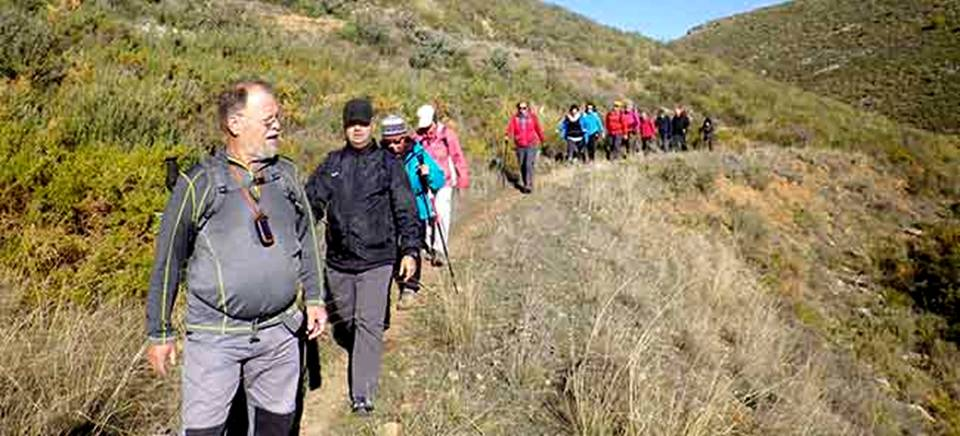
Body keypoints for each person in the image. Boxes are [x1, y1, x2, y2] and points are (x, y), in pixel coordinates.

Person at [145, 80, 325, 435]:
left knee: (276, 426)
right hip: (215, 337)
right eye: (269, 119)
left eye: (278, 118)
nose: (278, 126)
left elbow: (307, 239)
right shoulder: (199, 184)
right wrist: (160, 332)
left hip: (280, 332)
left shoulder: (285, 174)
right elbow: (167, 259)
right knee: (204, 431)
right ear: (235, 124)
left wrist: (315, 299)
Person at [305, 98, 421, 415]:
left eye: (363, 123)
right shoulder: (331, 165)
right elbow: (309, 205)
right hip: (339, 261)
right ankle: (371, 322)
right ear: (344, 127)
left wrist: (409, 249)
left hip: (378, 257)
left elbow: (406, 209)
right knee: (349, 320)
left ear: (372, 126)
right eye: (351, 124)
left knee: (368, 324)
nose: (357, 129)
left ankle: (363, 396)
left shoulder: (388, 164)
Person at [380, 115, 445, 307]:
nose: (393, 146)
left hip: (416, 208)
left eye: (398, 141)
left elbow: (439, 180)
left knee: (412, 247)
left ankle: (409, 287)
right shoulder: (378, 157)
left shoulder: (418, 153)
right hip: (387, 211)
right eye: (388, 142)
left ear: (405, 136)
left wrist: (429, 174)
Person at [414, 104, 470, 266]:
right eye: (423, 127)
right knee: (427, 213)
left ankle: (439, 249)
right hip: (425, 181)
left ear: (434, 121)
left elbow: (457, 157)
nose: (426, 131)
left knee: (441, 211)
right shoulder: (418, 137)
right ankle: (429, 245)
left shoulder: (447, 135)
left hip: (445, 180)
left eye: (428, 126)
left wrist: (462, 179)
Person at [504, 101, 545, 193]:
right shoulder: (515, 119)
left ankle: (528, 185)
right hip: (519, 145)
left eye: (524, 108)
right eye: (520, 108)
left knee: (528, 164)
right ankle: (526, 181)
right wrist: (507, 135)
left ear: (528, 108)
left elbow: (538, 129)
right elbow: (510, 128)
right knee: (522, 165)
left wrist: (542, 139)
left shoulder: (533, 117)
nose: (522, 110)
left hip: (531, 144)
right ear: (518, 109)